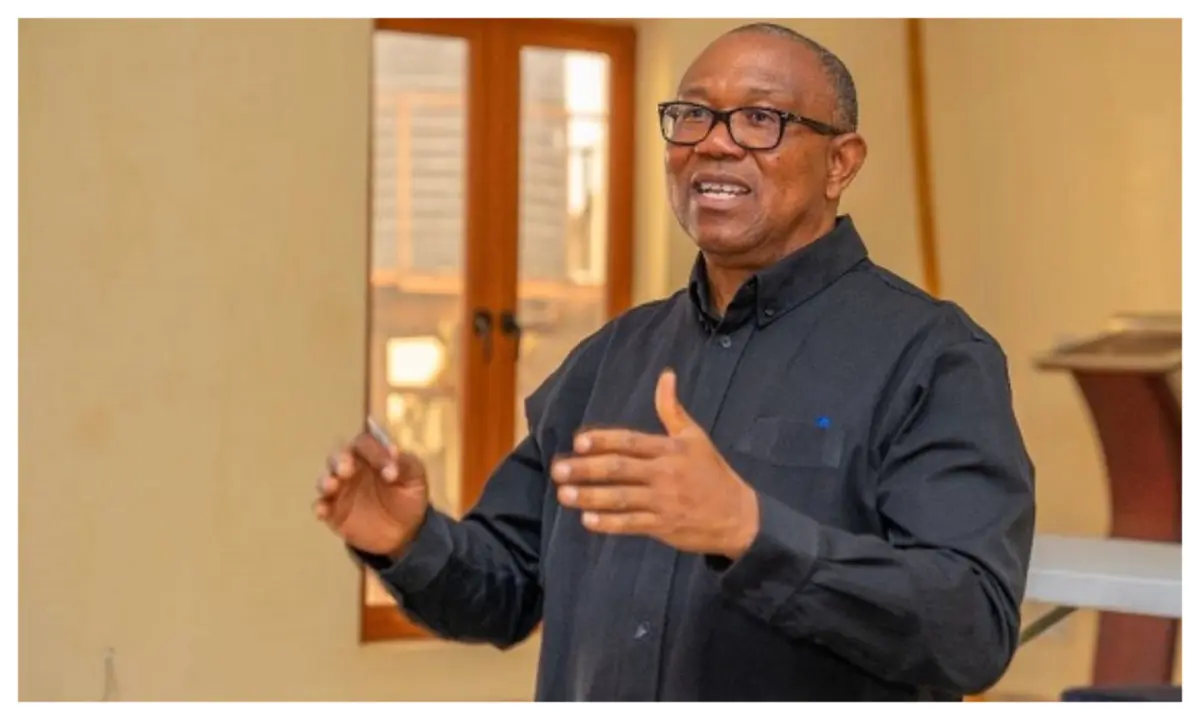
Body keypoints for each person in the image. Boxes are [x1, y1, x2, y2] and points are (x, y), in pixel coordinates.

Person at [314, 22, 1036, 702]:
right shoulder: (611, 359)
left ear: (839, 163)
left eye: (760, 119)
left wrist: (751, 533)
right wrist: (409, 540)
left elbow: (969, 627)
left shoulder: (932, 358)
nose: (714, 143)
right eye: (692, 115)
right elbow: (505, 591)